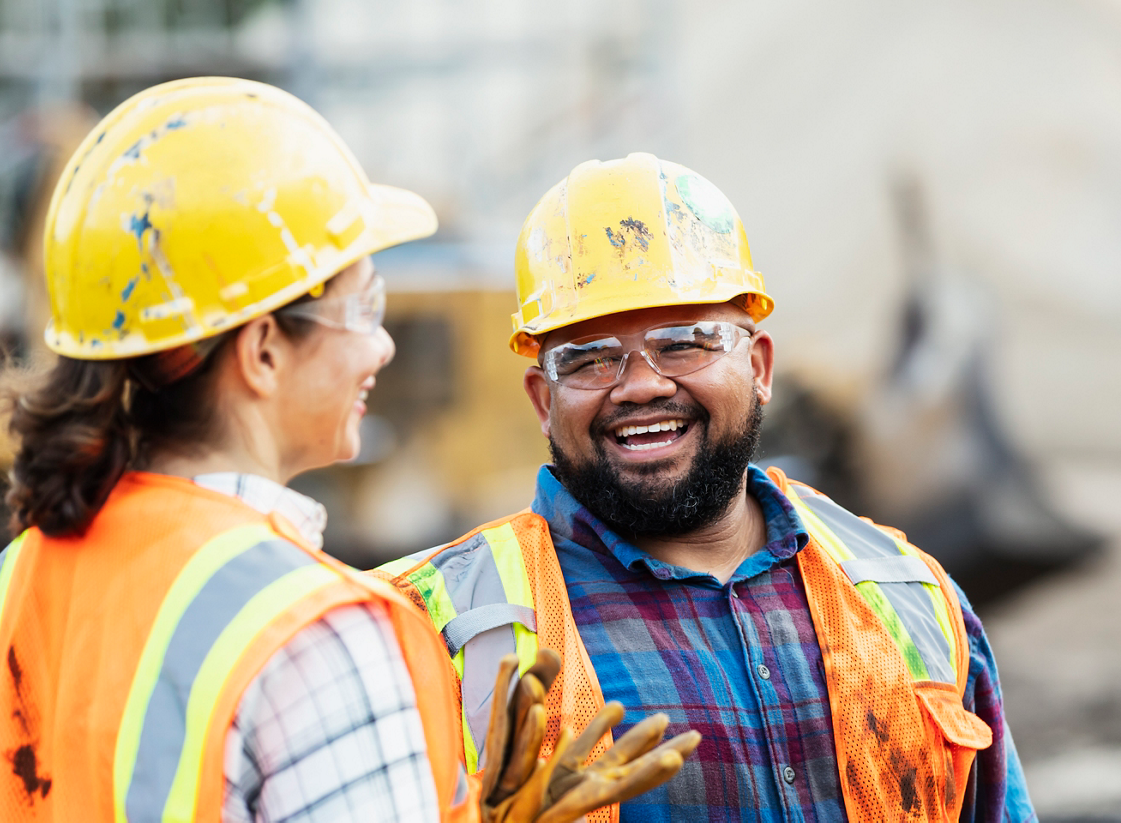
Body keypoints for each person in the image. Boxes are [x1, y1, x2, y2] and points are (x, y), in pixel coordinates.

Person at [0, 83, 696, 823]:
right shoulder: (323, 631)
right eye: (363, 307)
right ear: (263, 350)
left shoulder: (0, 596)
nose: (383, 342)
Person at [375, 153, 1038, 822]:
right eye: (590, 357)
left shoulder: (909, 593)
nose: (640, 385)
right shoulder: (423, 630)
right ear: (542, 401)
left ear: (759, 366)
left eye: (685, 342)